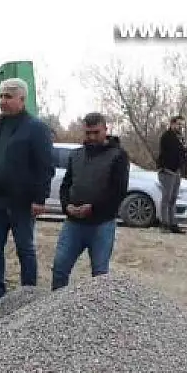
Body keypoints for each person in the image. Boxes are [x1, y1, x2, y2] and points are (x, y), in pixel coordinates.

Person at [0, 77, 54, 304]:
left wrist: (39, 198)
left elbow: (45, 167)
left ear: (22, 99)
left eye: (8, 97)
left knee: (24, 247)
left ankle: (29, 294)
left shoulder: (36, 128)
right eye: (1, 96)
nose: (3, 101)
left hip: (21, 202)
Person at [50, 112, 128, 288]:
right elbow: (66, 185)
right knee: (60, 269)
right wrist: (67, 206)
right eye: (88, 133)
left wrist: (93, 208)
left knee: (99, 275)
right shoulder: (76, 155)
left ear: (105, 130)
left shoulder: (118, 156)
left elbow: (118, 191)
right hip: (73, 223)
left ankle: (100, 313)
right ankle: (56, 310)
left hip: (102, 224)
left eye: (96, 132)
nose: (92, 137)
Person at [156, 115, 187, 233]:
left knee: (173, 198)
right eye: (178, 124)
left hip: (176, 171)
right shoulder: (167, 136)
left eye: (182, 125)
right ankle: (164, 224)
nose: (180, 127)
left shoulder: (180, 137)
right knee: (166, 198)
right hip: (167, 170)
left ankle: (173, 224)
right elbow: (170, 152)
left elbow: (182, 153)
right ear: (172, 124)